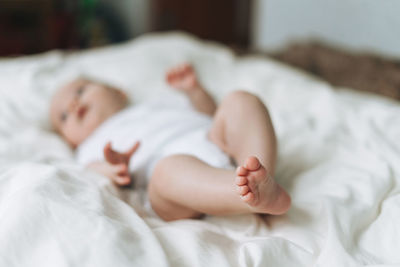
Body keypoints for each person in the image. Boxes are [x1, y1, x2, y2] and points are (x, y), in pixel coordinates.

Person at [49, 63, 291, 221]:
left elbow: (209, 114)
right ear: (70, 140)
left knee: (240, 100)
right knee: (166, 172)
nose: (73, 104)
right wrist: (114, 167)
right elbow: (93, 170)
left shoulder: (159, 102)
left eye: (80, 91)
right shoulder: (91, 145)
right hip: (174, 183)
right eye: (63, 116)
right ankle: (247, 195)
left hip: (215, 140)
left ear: (118, 92)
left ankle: (261, 176)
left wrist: (194, 91)